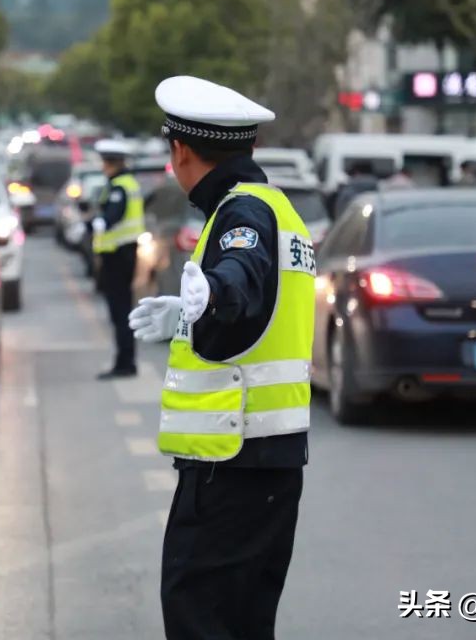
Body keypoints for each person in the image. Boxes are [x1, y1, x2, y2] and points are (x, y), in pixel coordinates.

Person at [128, 76, 315, 640]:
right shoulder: (277, 207)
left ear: (181, 152)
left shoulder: (243, 214)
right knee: (245, 622)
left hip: (232, 463)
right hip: (269, 463)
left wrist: (217, 294)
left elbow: (243, 275)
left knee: (199, 614)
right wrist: (189, 313)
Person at [91, 138, 145, 380]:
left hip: (119, 255)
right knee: (121, 310)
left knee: (120, 312)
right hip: (122, 253)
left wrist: (96, 224)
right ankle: (125, 361)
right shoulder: (124, 182)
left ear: (111, 163)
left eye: (105, 162)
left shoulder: (120, 186)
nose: (103, 166)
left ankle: (125, 363)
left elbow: (112, 215)